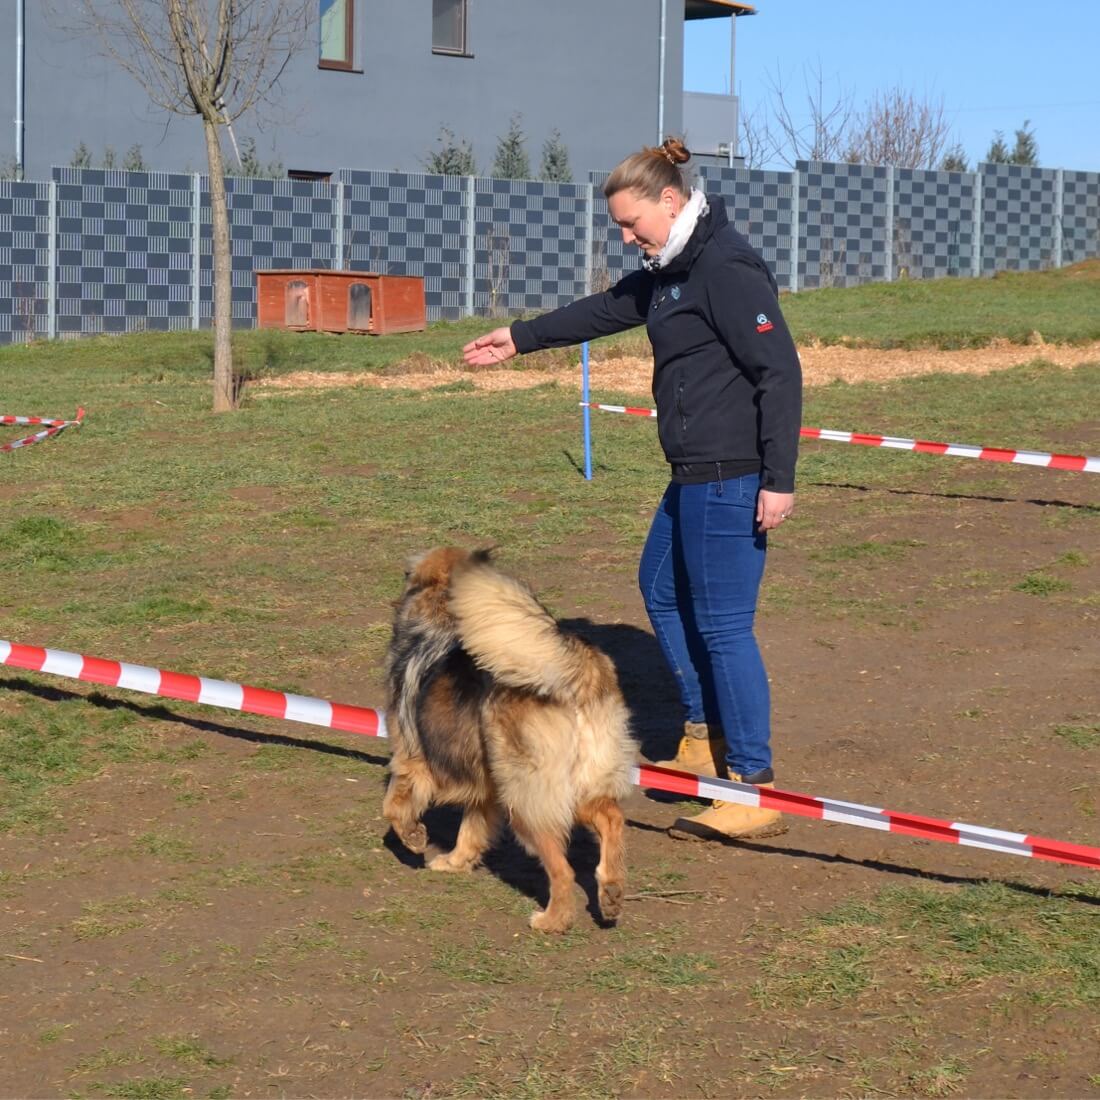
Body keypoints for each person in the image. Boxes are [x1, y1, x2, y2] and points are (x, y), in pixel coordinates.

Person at [463, 137, 802, 842]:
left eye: (630, 222)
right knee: (660, 586)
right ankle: (704, 737)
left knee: (724, 627)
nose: (624, 237)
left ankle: (754, 785)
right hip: (692, 473)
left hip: (732, 474)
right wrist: (519, 338)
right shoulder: (669, 268)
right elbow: (607, 308)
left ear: (669, 202)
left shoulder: (724, 267)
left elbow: (780, 371)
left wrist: (778, 480)